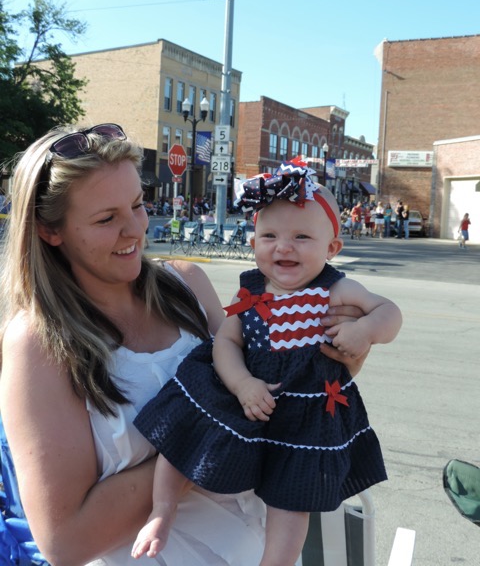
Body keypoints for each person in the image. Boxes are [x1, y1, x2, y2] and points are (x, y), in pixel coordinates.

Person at [0, 127, 365, 566]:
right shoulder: (37, 343)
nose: (135, 228)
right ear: (49, 230)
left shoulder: (187, 284)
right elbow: (65, 542)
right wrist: (205, 447)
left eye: (137, 204)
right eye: (105, 219)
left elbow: (278, 401)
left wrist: (340, 358)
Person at [132, 160, 403, 565]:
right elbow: (226, 340)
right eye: (269, 235)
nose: (283, 246)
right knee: (187, 432)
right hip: (249, 391)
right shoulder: (253, 291)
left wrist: (365, 332)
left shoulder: (335, 288)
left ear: (332, 248)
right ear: (254, 240)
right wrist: (241, 383)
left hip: (307, 409)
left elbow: (390, 312)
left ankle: (274, 561)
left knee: (293, 498)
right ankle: (162, 508)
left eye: (302, 236)